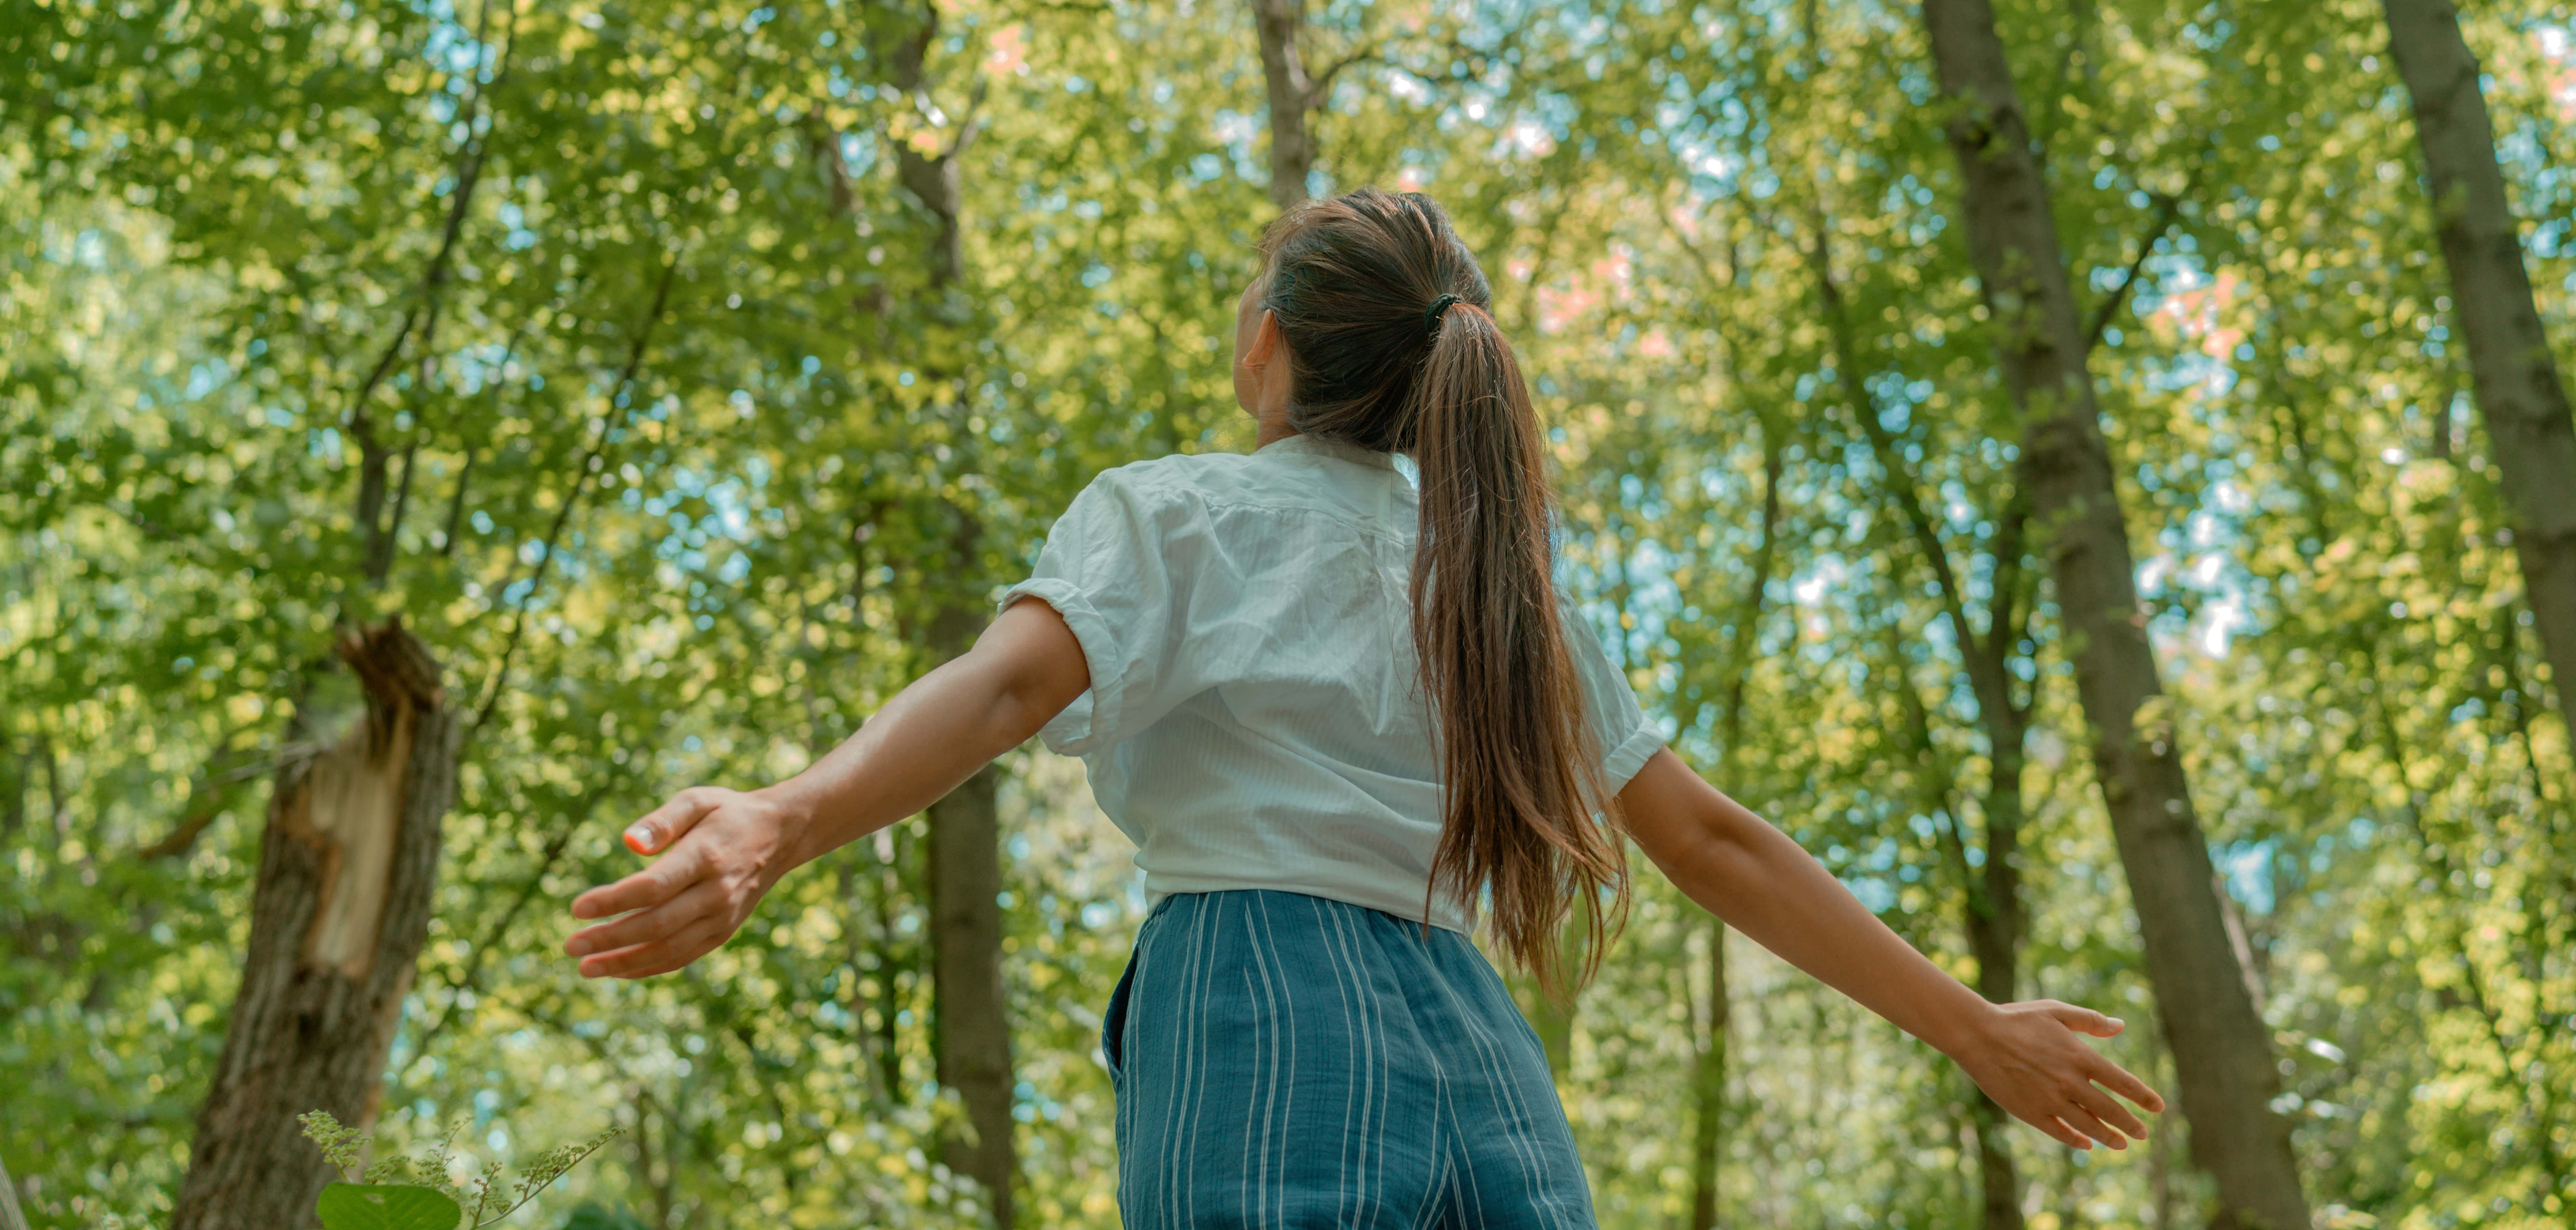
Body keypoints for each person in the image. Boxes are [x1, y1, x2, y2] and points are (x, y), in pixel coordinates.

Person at [566, 188, 2161, 1226]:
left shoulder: (1178, 512)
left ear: (1269, 344)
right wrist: (1972, 1024)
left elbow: (995, 693)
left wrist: (782, 813)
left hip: (1255, 992)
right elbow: (1713, 838)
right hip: (1473, 1036)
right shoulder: (1503, 587)